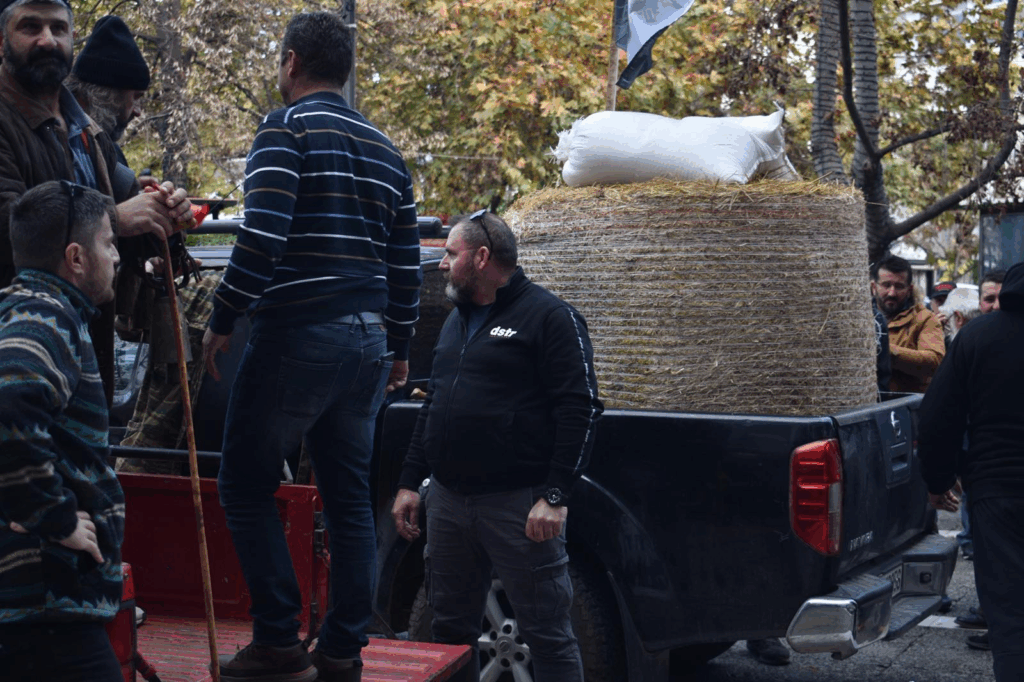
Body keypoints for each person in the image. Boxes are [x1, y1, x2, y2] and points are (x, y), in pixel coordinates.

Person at [200, 12, 421, 682]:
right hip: (368, 341)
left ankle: (277, 641)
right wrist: (400, 346)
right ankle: (343, 651)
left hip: (299, 331)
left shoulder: (286, 128)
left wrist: (223, 315)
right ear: (345, 69)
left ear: (291, 62)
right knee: (349, 499)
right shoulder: (387, 151)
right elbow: (405, 265)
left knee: (243, 482)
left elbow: (262, 237)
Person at [391, 210, 604, 682]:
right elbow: (435, 404)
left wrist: (555, 496)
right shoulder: (457, 321)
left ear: (482, 257)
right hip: (448, 503)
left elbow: (581, 409)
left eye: (451, 254)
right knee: (447, 635)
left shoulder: (551, 317)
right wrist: (409, 482)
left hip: (517, 506)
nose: (442, 264)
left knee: (549, 636)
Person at [0, 0, 193, 405]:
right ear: (2, 41)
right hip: (18, 360)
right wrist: (116, 218)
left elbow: (123, 234)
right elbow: (9, 228)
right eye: (30, 27)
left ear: (72, 38)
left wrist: (163, 212)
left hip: (85, 353)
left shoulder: (87, 130)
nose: (47, 40)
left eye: (58, 28)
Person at [0, 181, 124, 681]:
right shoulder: (46, 316)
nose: (116, 256)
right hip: (47, 600)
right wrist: (51, 516)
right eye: (108, 243)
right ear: (76, 257)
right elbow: (10, 401)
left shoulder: (22, 310)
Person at [918, 261, 1024, 682]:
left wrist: (938, 481)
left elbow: (938, 415)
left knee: (1011, 618)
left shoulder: (979, 335)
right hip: (997, 486)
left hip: (998, 493)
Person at [870, 254, 945, 393]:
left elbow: (935, 361)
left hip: (905, 404)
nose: (892, 293)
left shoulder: (924, 319)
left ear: (909, 290)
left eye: (899, 287)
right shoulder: (860, 319)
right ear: (874, 287)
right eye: (886, 285)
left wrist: (884, 349)